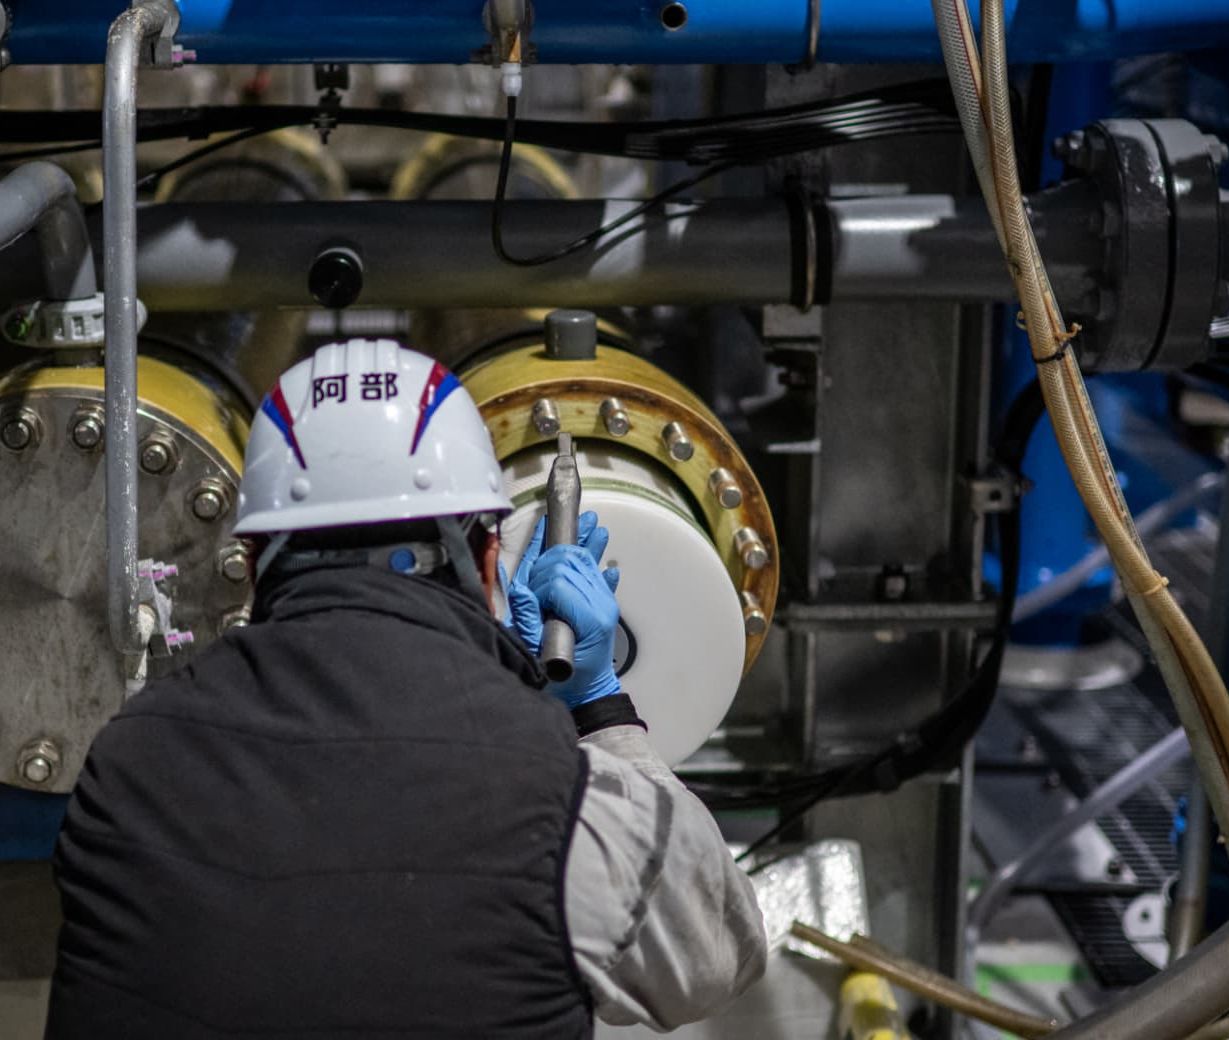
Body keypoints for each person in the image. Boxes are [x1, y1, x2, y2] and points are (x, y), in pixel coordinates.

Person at [48, 338, 767, 1039]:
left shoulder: (127, 767)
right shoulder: (554, 794)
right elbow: (717, 958)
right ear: (489, 556)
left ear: (252, 556)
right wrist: (596, 701)